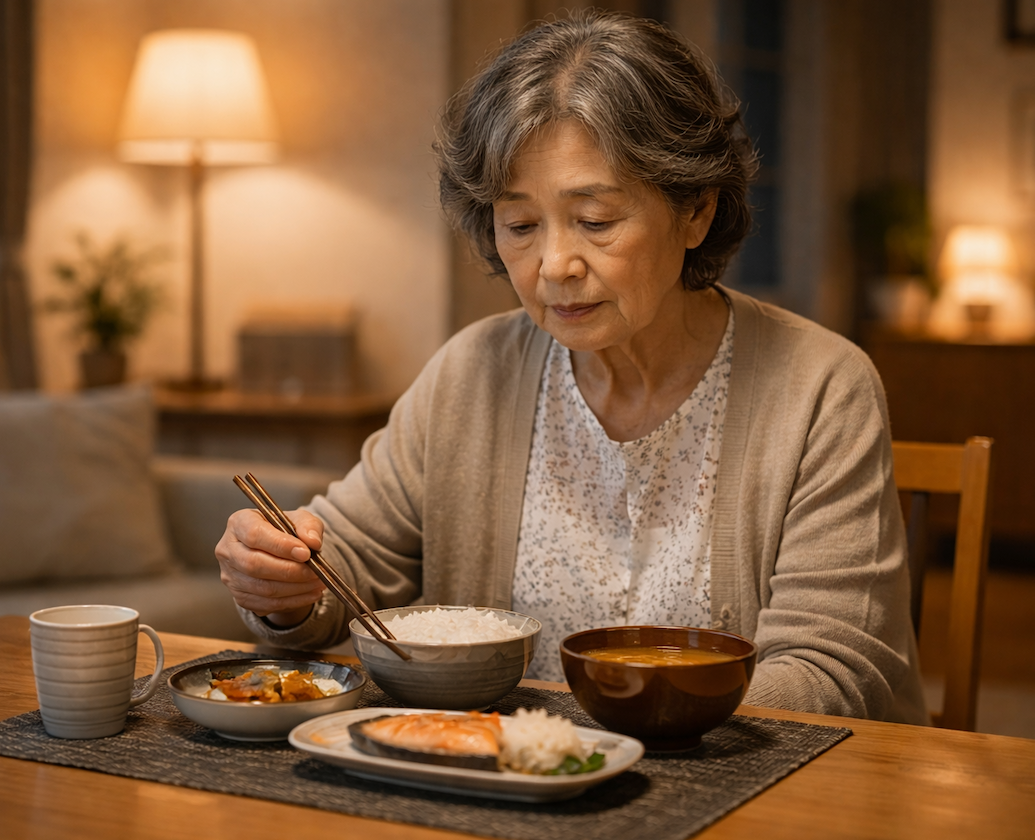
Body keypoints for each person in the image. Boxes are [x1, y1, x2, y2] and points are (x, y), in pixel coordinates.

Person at [216, 10, 927, 725]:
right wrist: (282, 582)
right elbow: (346, 564)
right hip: (500, 795)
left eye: (595, 220)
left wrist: (592, 736)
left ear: (696, 210)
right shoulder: (471, 374)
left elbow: (834, 672)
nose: (555, 265)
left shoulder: (820, 388)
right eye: (521, 226)